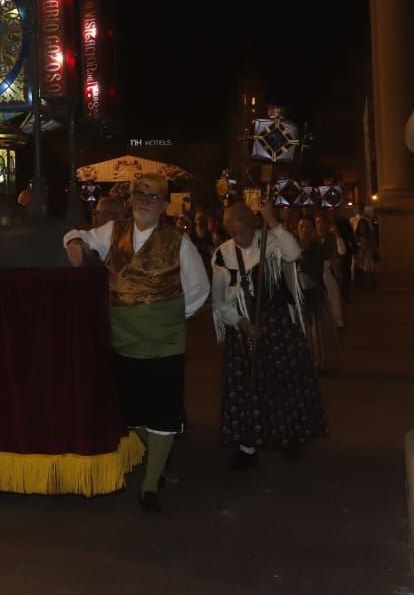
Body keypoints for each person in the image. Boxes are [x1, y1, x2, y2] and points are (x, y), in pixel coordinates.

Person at [63, 172, 211, 511]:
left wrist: (167, 318)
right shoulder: (113, 232)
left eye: (153, 195)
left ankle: (150, 485)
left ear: (165, 205)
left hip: (164, 340)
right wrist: (74, 242)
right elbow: (78, 233)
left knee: (162, 410)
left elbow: (199, 289)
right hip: (124, 337)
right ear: (130, 200)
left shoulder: (179, 241)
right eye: (140, 194)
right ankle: (161, 450)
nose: (145, 200)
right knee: (131, 412)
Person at [211, 202, 328, 468]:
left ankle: (290, 437)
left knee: (283, 381)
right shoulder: (222, 255)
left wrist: (273, 222)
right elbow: (219, 302)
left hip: (276, 324)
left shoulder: (271, 242)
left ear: (253, 225)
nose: (237, 238)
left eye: (241, 231)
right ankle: (247, 446)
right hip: (242, 328)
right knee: (245, 387)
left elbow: (294, 253)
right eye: (232, 232)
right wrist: (239, 322)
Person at [296, 216, 341, 373]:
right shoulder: (293, 246)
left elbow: (318, 269)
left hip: (313, 292)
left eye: (308, 226)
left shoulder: (316, 247)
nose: (304, 230)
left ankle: (317, 362)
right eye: (301, 226)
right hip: (297, 294)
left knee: (316, 331)